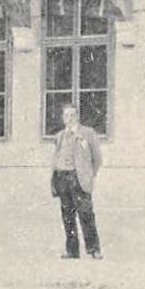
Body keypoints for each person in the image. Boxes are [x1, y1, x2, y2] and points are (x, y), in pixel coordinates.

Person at [50, 105, 103, 259]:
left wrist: (88, 175)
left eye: (72, 115)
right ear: (63, 118)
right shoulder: (60, 136)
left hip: (79, 179)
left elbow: (97, 159)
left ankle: (94, 249)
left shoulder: (88, 133)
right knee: (67, 215)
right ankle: (72, 250)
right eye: (66, 116)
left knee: (86, 214)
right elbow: (56, 156)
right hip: (62, 178)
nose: (69, 118)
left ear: (78, 117)